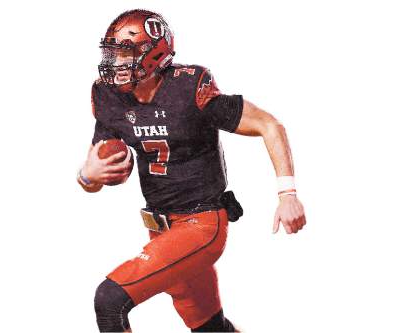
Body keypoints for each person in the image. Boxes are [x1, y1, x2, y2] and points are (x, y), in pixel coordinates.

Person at [78, 9, 306, 332]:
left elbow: (270, 125)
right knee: (212, 330)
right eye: (113, 54)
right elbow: (93, 175)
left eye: (126, 54)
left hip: (201, 224)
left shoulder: (189, 88)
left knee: (109, 299)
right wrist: (87, 175)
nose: (116, 64)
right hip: (161, 228)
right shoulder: (110, 96)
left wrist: (288, 194)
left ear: (153, 54)